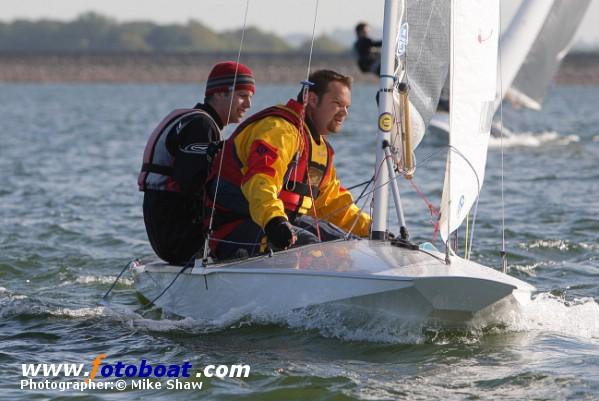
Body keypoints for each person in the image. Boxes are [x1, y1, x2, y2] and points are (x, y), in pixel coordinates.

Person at [206, 69, 371, 260]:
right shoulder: (280, 130)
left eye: (347, 107)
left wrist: (373, 230)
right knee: (313, 251)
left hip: (281, 224)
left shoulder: (321, 150)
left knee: (348, 245)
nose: (344, 112)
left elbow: (333, 204)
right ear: (312, 100)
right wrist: (274, 220)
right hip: (238, 229)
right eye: (337, 104)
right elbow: (261, 181)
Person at [138, 61, 255, 265]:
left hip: (164, 231)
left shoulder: (193, 120)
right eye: (242, 96)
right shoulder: (201, 126)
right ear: (219, 94)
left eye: (250, 98)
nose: (248, 105)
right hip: (178, 236)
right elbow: (192, 182)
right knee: (258, 221)